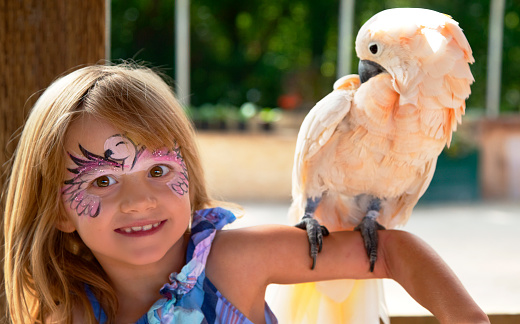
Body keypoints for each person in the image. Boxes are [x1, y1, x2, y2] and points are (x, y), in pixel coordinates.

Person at [3, 63, 489, 324]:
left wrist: (465, 318)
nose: (137, 200)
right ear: (59, 211)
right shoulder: (70, 313)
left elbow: (391, 251)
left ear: (188, 176)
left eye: (158, 169)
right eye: (102, 181)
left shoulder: (236, 260)